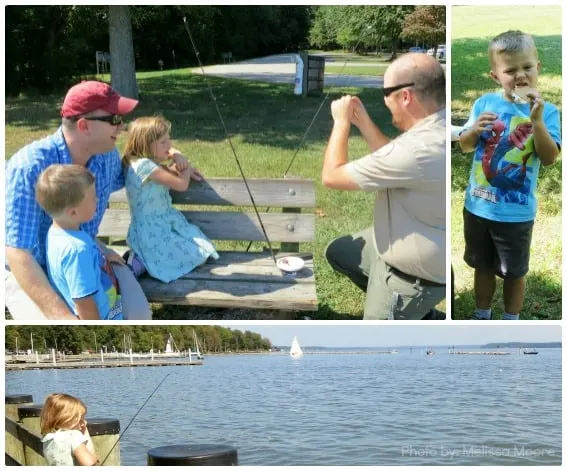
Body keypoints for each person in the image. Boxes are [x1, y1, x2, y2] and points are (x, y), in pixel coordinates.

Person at [322, 53, 446, 320]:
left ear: (405, 97)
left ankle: (414, 312)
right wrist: (363, 123)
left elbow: (331, 176)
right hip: (399, 248)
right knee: (339, 252)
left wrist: (341, 123)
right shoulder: (436, 129)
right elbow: (396, 158)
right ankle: (410, 310)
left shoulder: (419, 149)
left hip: (412, 277)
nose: (383, 100)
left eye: (386, 92)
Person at [458, 31, 560, 320]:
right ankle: (482, 315)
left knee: (514, 272)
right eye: (510, 70)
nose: (520, 76)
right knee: (482, 266)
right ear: (495, 76)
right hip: (478, 207)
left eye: (527, 67)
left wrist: (536, 121)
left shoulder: (549, 112)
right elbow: (465, 147)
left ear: (538, 68)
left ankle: (511, 321)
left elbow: (550, 157)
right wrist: (473, 130)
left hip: (515, 213)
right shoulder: (483, 105)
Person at [122, 116, 219, 283]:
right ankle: (137, 262)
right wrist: (183, 161)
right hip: (152, 232)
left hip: (160, 226)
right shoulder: (146, 166)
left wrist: (180, 165)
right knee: (197, 255)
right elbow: (181, 184)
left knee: (201, 251)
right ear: (146, 144)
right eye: (163, 142)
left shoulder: (145, 164)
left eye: (169, 140)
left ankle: (141, 260)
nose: (169, 146)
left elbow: (170, 173)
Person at [36, 165, 123, 320]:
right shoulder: (77, 251)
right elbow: (84, 302)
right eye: (92, 198)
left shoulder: (58, 232)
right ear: (73, 212)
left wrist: (103, 256)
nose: (97, 199)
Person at [40, 393, 98, 466]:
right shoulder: (74, 435)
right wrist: (86, 432)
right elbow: (90, 463)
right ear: (67, 418)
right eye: (81, 418)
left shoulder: (48, 438)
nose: (84, 422)